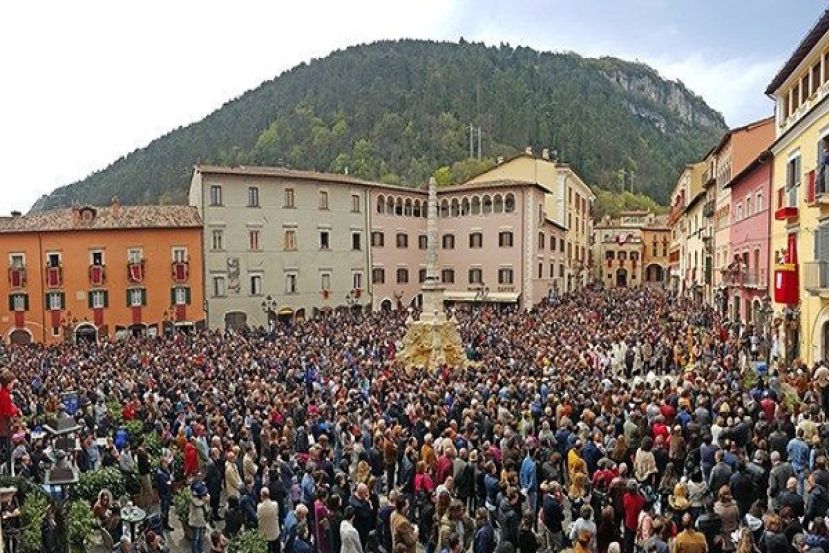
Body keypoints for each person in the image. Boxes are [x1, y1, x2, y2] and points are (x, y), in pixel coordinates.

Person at [0, 370, 19, 474]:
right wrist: (16, 410)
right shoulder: (5, 395)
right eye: (12, 383)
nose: (13, 385)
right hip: (4, 429)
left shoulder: (3, 393)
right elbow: (8, 412)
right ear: (8, 383)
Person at [189, 481, 210, 553]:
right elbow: (198, 504)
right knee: (195, 539)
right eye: (203, 494)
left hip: (201, 522)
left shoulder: (201, 499)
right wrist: (205, 501)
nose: (205, 495)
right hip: (196, 523)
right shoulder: (195, 501)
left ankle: (200, 550)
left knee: (200, 537)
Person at [258, 487, 281, 553]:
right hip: (274, 532)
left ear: (261, 496)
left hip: (265, 534)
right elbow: (277, 513)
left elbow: (258, 517)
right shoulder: (275, 504)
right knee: (276, 549)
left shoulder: (259, 507)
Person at [156, 457, 174, 532]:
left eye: (167, 463)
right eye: (165, 463)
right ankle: (164, 526)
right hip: (164, 495)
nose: (167, 464)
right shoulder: (160, 473)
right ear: (162, 464)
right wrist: (170, 481)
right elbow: (164, 485)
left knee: (166, 510)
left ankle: (165, 525)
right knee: (164, 511)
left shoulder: (165, 470)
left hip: (167, 494)